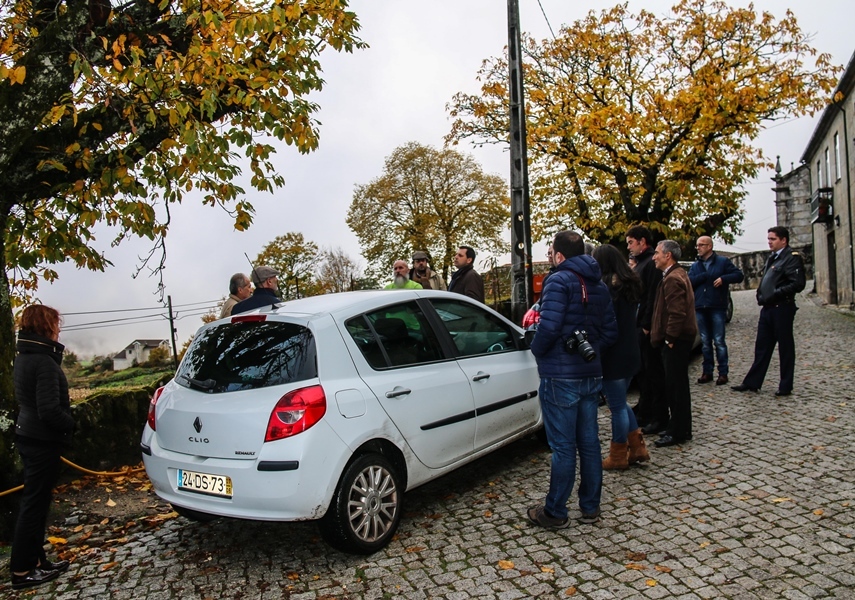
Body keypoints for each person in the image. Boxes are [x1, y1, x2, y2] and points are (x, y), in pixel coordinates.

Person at [528, 231, 617, 529]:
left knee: (564, 447)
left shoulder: (558, 280)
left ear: (560, 255)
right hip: (590, 375)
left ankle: (555, 512)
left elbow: (549, 327)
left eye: (552, 251)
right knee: (589, 443)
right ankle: (590, 507)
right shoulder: (599, 284)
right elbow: (610, 333)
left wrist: (537, 351)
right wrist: (588, 354)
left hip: (560, 375)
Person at [10, 305, 75, 590]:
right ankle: (22, 571)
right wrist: (72, 424)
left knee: (37, 503)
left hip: (29, 436)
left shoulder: (25, 357)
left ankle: (37, 562)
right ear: (47, 326)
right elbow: (48, 410)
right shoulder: (44, 362)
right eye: (56, 323)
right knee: (34, 506)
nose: (59, 328)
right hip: (41, 440)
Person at [592, 244, 649, 470]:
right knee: (621, 403)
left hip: (613, 354)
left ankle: (618, 454)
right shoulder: (630, 285)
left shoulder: (607, 289)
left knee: (616, 406)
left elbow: (606, 327)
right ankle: (637, 448)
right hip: (630, 350)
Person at [733, 226, 806, 396]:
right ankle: (752, 382)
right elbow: (767, 279)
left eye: (773, 239)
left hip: (782, 307)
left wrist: (775, 294)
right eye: (768, 239)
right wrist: (761, 294)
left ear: (783, 240)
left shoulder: (791, 258)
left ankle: (785, 385)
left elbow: (797, 284)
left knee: (785, 347)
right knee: (762, 346)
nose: (769, 242)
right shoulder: (773, 258)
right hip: (767, 308)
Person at [650, 240, 698, 448]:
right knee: (678, 385)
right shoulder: (676, 274)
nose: (654, 257)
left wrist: (669, 338)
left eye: (657, 253)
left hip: (676, 341)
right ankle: (680, 428)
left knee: (676, 386)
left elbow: (677, 312)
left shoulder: (673, 278)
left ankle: (678, 430)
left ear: (668, 255)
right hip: (679, 339)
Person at [625, 225, 667, 434]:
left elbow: (652, 296)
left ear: (642, 242)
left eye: (631, 242)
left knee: (653, 373)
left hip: (645, 325)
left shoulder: (650, 264)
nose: (629, 247)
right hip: (638, 323)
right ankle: (646, 408)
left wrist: (647, 325)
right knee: (643, 372)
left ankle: (658, 415)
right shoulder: (640, 263)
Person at [688, 236, 744, 386]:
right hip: (700, 306)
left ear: (709, 246)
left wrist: (723, 279)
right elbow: (689, 282)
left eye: (701, 245)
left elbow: (739, 275)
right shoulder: (695, 266)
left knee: (719, 341)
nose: (698, 247)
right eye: (697, 245)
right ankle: (707, 372)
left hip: (716, 306)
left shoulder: (722, 262)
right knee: (705, 342)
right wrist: (704, 276)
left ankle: (723, 373)